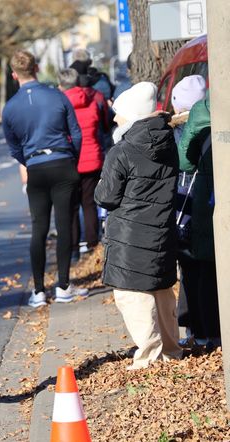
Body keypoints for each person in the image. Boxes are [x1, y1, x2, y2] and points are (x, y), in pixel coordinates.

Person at [94, 82, 183, 370]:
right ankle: (171, 350)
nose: (116, 119)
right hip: (162, 231)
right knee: (160, 290)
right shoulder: (167, 142)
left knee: (133, 295)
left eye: (119, 114)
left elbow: (105, 197)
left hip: (131, 236)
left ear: (132, 115)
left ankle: (149, 357)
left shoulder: (122, 151)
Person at [1, 50, 88, 308]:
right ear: (37, 68)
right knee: (64, 226)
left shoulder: (11, 107)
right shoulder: (57, 96)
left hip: (36, 166)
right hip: (62, 162)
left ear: (14, 75)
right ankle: (63, 285)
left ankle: (38, 291)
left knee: (39, 228)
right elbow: (76, 132)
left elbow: (13, 146)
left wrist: (28, 161)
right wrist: (72, 157)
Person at [177, 89, 220, 351]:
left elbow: (185, 160)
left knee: (205, 265)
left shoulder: (201, 109)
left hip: (208, 193)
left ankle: (209, 335)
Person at [58, 68, 104, 256]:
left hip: (71, 160)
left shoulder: (60, 105)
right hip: (92, 158)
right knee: (89, 203)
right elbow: (101, 125)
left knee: (72, 206)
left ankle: (74, 248)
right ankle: (93, 245)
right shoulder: (91, 101)